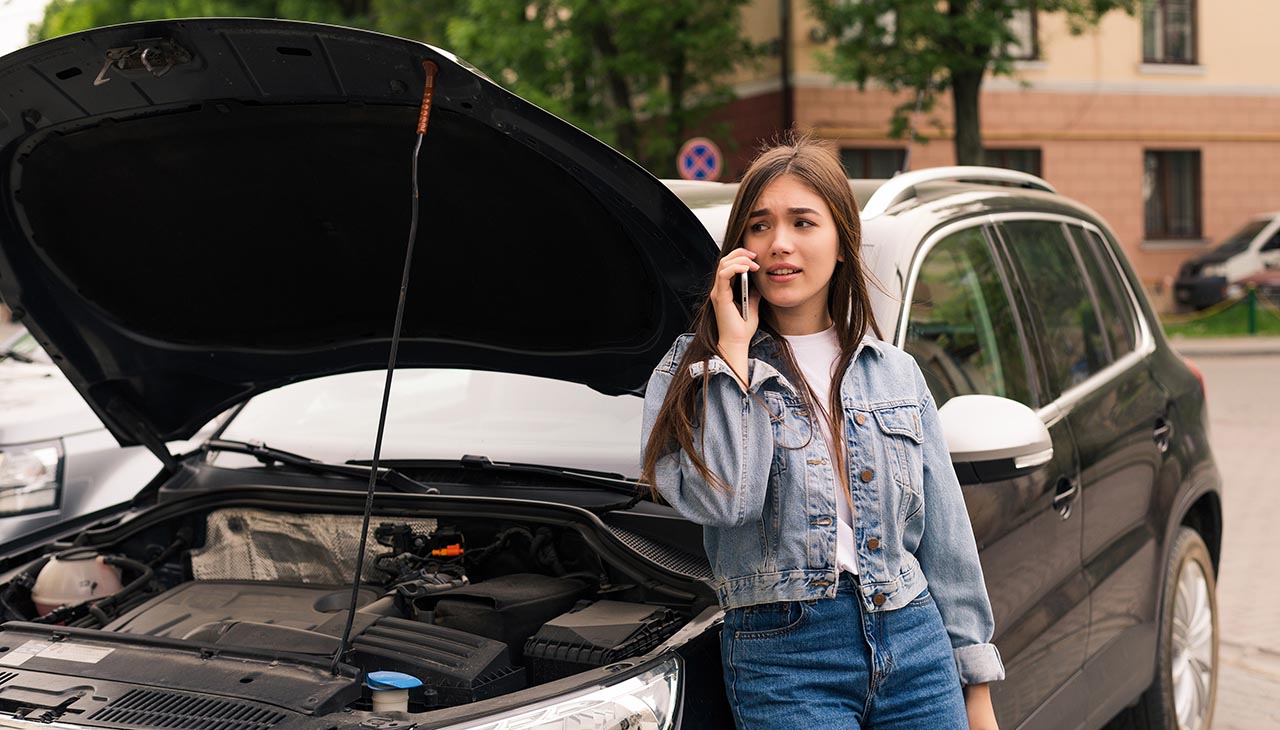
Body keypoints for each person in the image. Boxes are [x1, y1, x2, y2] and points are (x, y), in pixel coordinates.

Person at [640, 137, 1003, 729]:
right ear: (740, 248)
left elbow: (947, 540)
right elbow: (727, 500)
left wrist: (976, 683)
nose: (779, 242)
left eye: (803, 222)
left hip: (914, 640)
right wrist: (733, 353)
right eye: (759, 225)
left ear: (840, 243)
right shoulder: (696, 371)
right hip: (785, 659)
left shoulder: (896, 373)